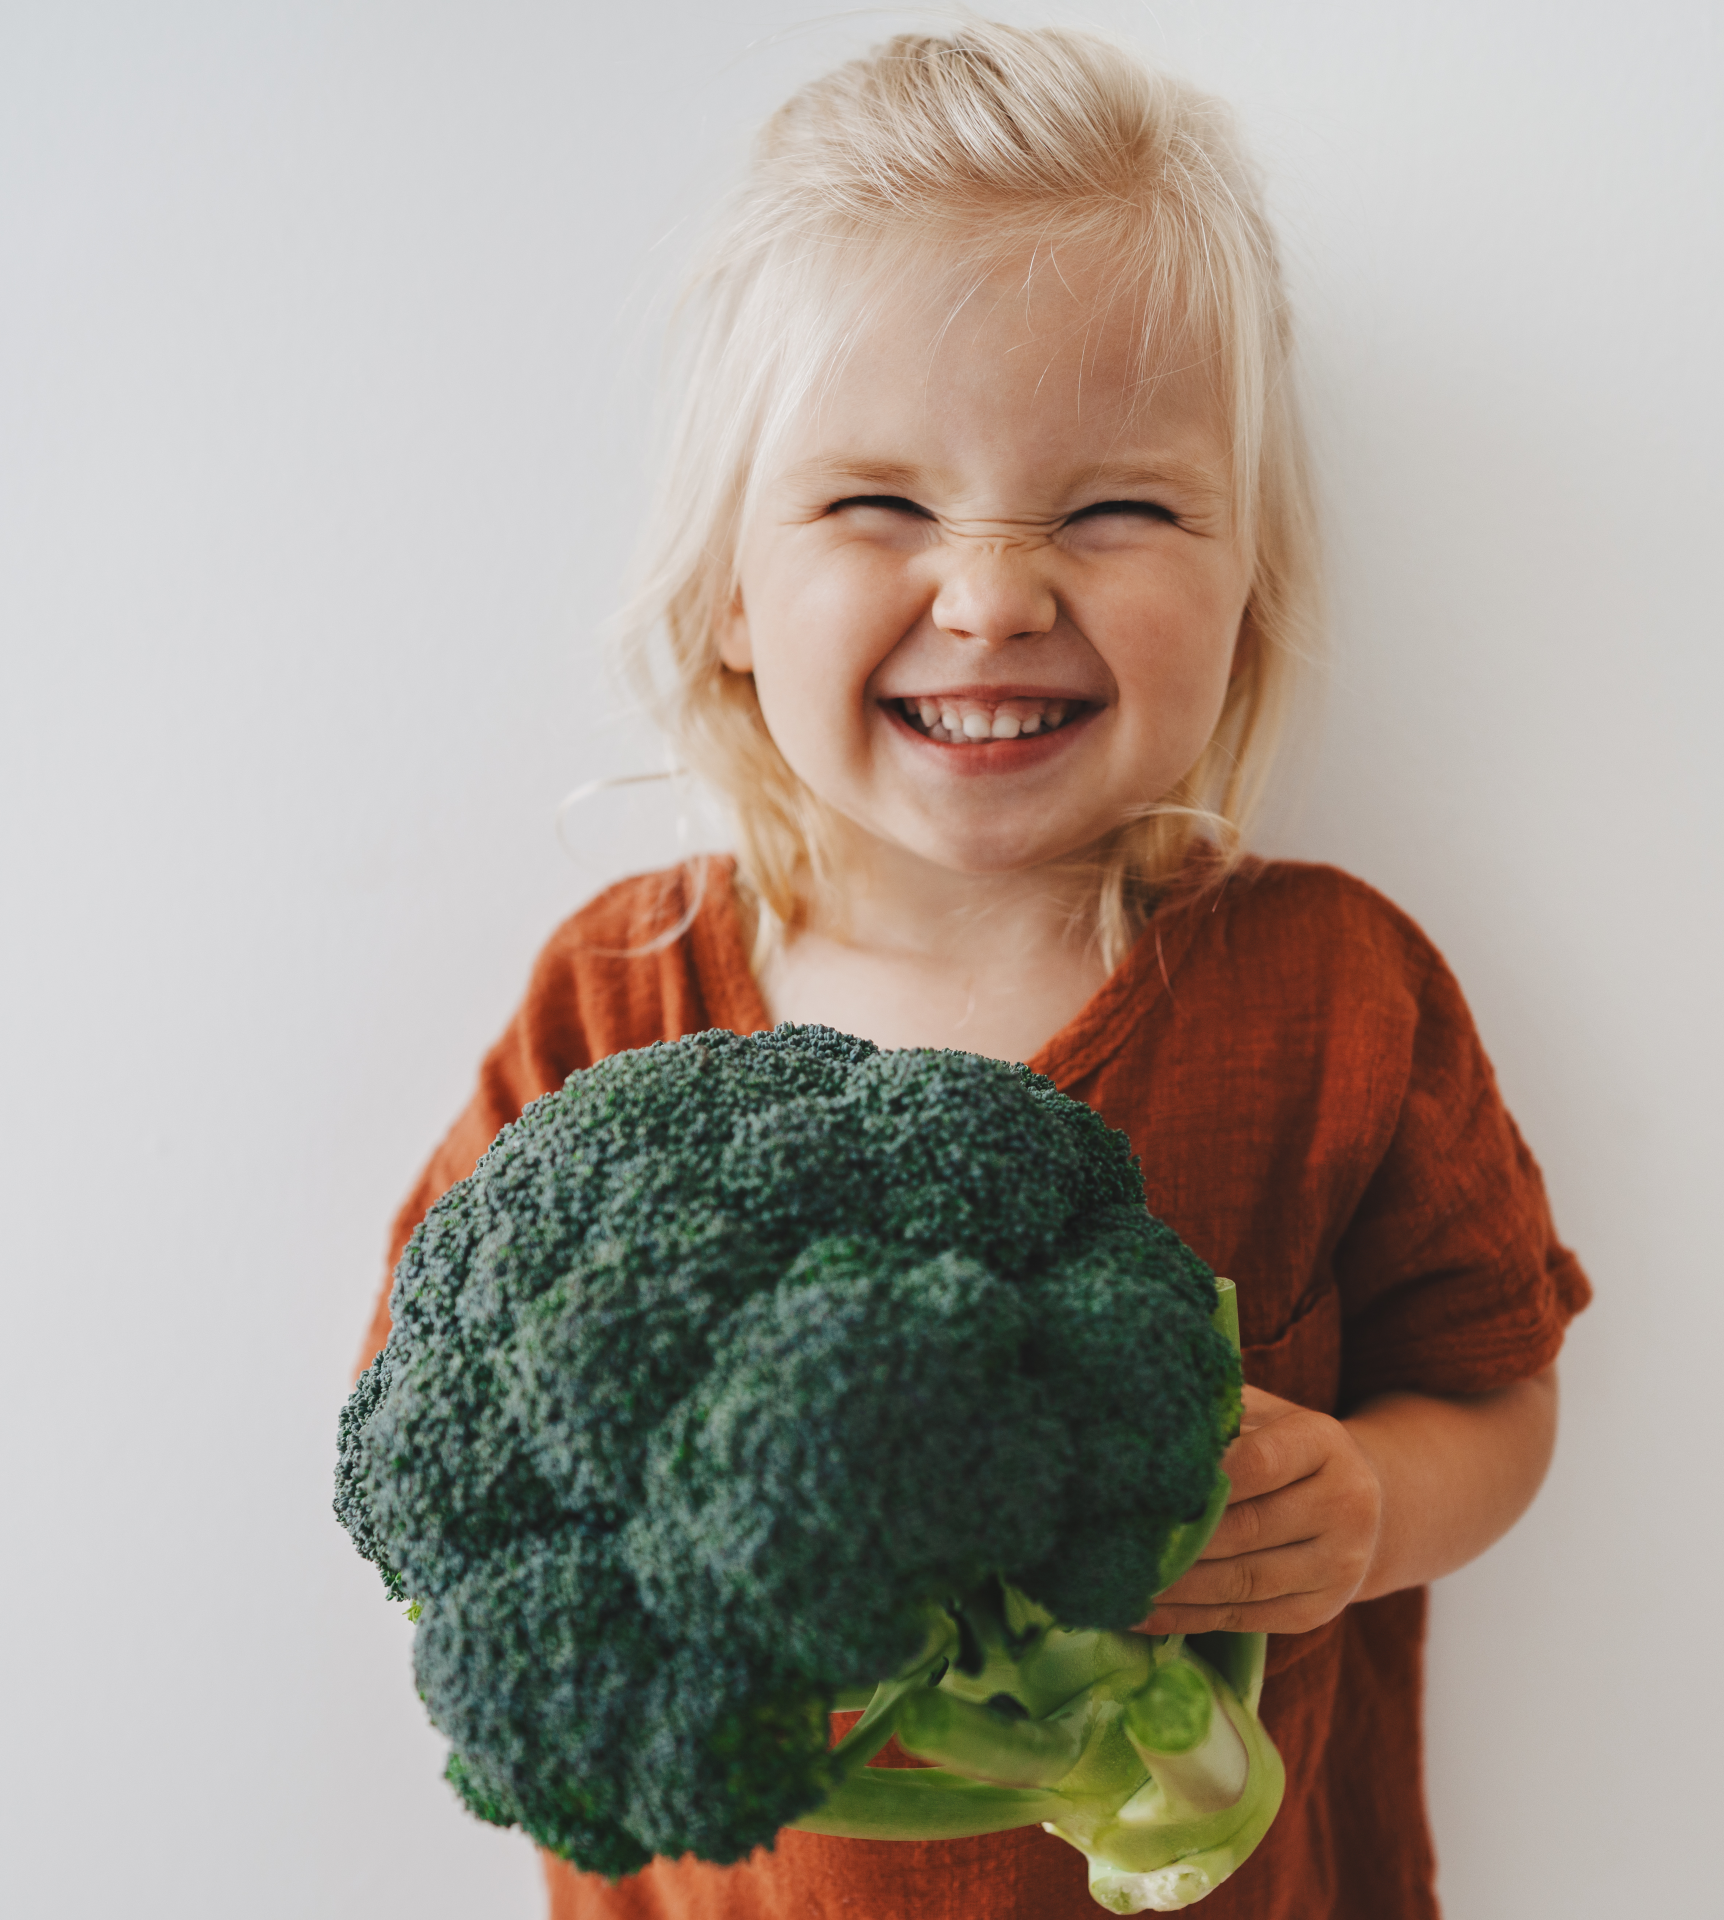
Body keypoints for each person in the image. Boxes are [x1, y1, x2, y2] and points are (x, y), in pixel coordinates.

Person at [357, 22, 1590, 1919]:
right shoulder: (617, 1000)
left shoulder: (1335, 994)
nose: (995, 592)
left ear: (1247, 585)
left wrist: (1367, 1509)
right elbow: (441, 1422)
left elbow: (1496, 1393)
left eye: (1117, 509)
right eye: (879, 504)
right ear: (731, 593)